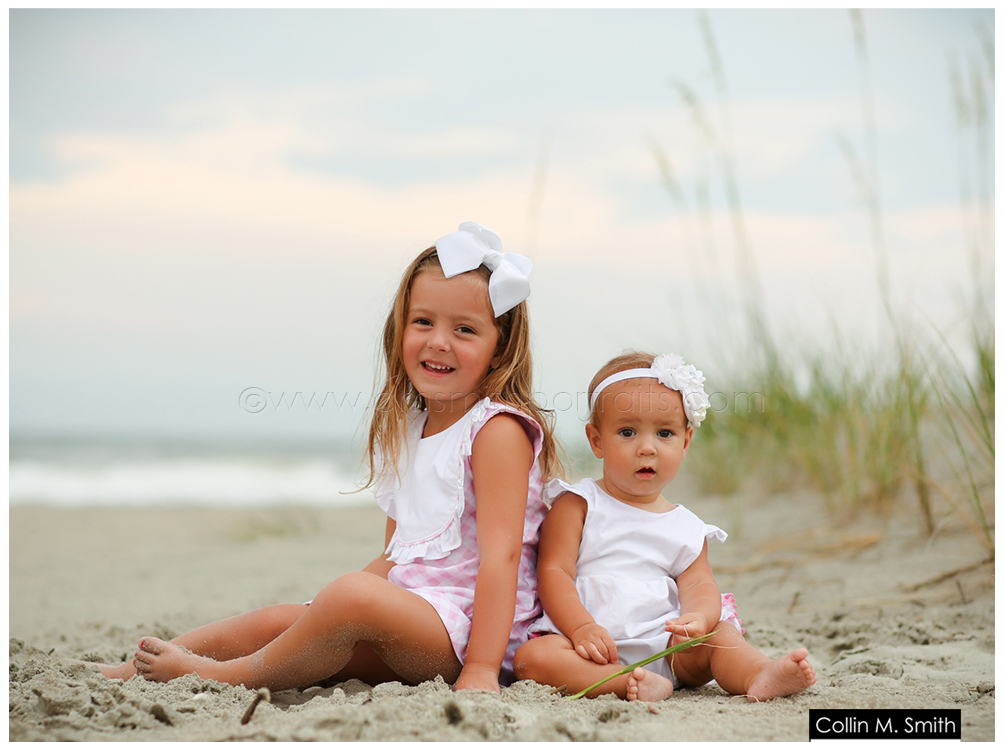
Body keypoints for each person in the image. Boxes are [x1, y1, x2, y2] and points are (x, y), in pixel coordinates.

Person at [96, 222, 561, 694]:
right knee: (285, 617)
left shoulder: (497, 430)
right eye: (423, 322)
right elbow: (394, 555)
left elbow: (502, 558)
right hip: (417, 614)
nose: (439, 341)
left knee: (349, 595)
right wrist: (322, 613)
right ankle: (136, 667)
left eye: (464, 329)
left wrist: (482, 668)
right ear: (400, 329)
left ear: (499, 350)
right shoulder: (410, 429)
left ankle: (222, 676)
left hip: (472, 636)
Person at [513, 351, 815, 702]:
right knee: (532, 659)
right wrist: (580, 627)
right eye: (627, 432)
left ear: (685, 442)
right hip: (590, 644)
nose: (647, 448)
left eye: (665, 433)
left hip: (668, 646)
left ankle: (757, 673)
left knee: (721, 636)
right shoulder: (578, 503)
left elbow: (700, 583)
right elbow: (554, 570)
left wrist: (698, 619)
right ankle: (623, 683)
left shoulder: (685, 525)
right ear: (597, 440)